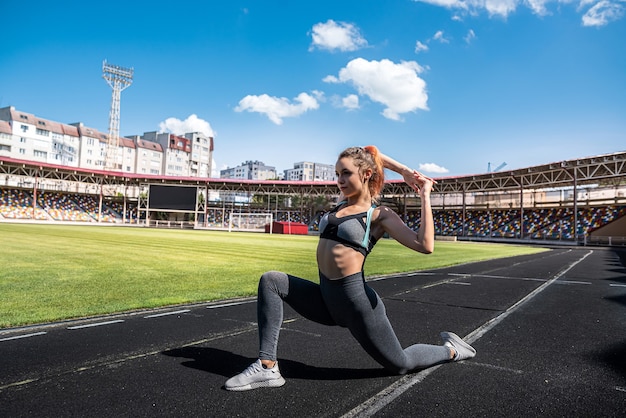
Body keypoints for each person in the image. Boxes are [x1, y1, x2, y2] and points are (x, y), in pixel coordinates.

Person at [224, 145, 475, 391]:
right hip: (325, 299)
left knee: (400, 363)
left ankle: (452, 350)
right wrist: (404, 170)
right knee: (271, 280)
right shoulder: (342, 203)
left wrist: (424, 194)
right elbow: (371, 151)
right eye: (337, 174)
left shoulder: (378, 215)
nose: (340, 180)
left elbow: (425, 245)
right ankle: (267, 367)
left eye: (346, 173)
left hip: (357, 306)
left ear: (366, 174)